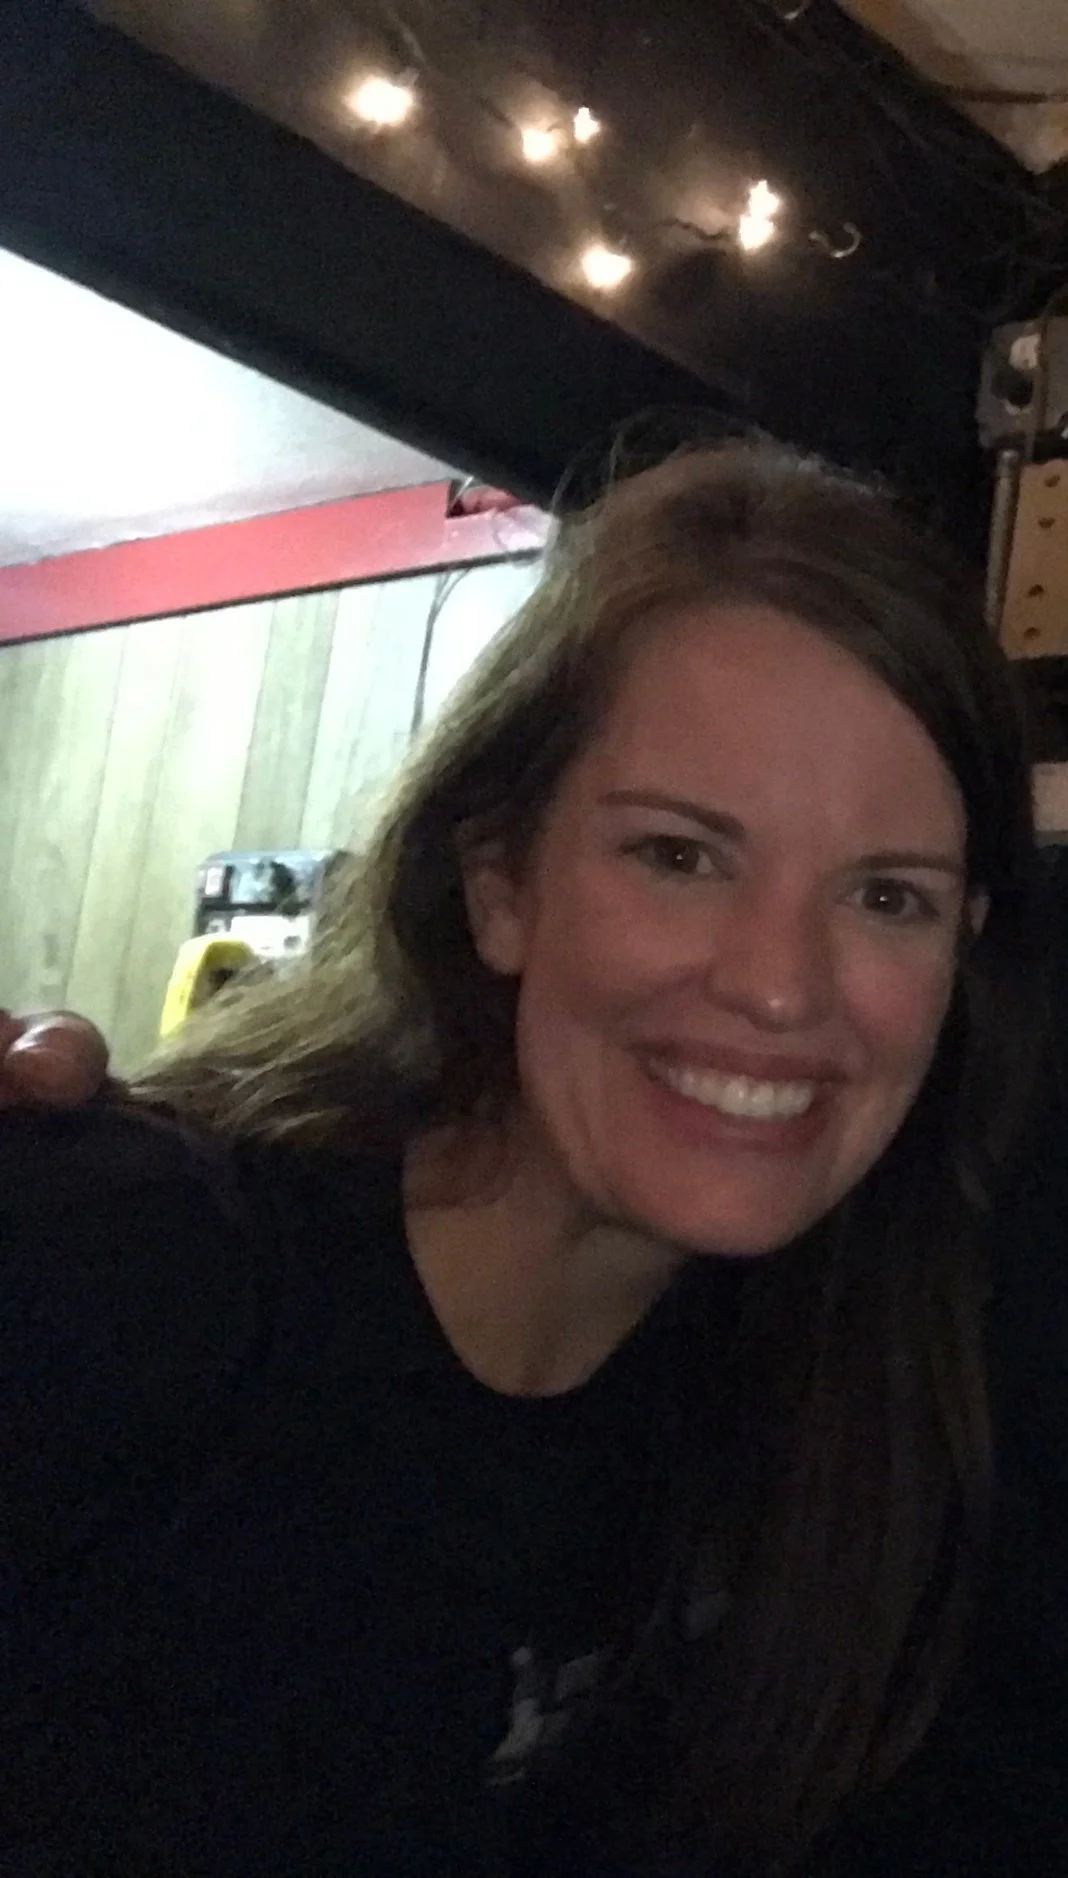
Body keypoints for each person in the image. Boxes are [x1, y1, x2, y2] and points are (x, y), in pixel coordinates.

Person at [0, 439, 1059, 1878]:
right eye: (682, 854)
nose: (782, 986)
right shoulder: (136, 1270)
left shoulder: (814, 1407)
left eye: (887, 895)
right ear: (501, 881)